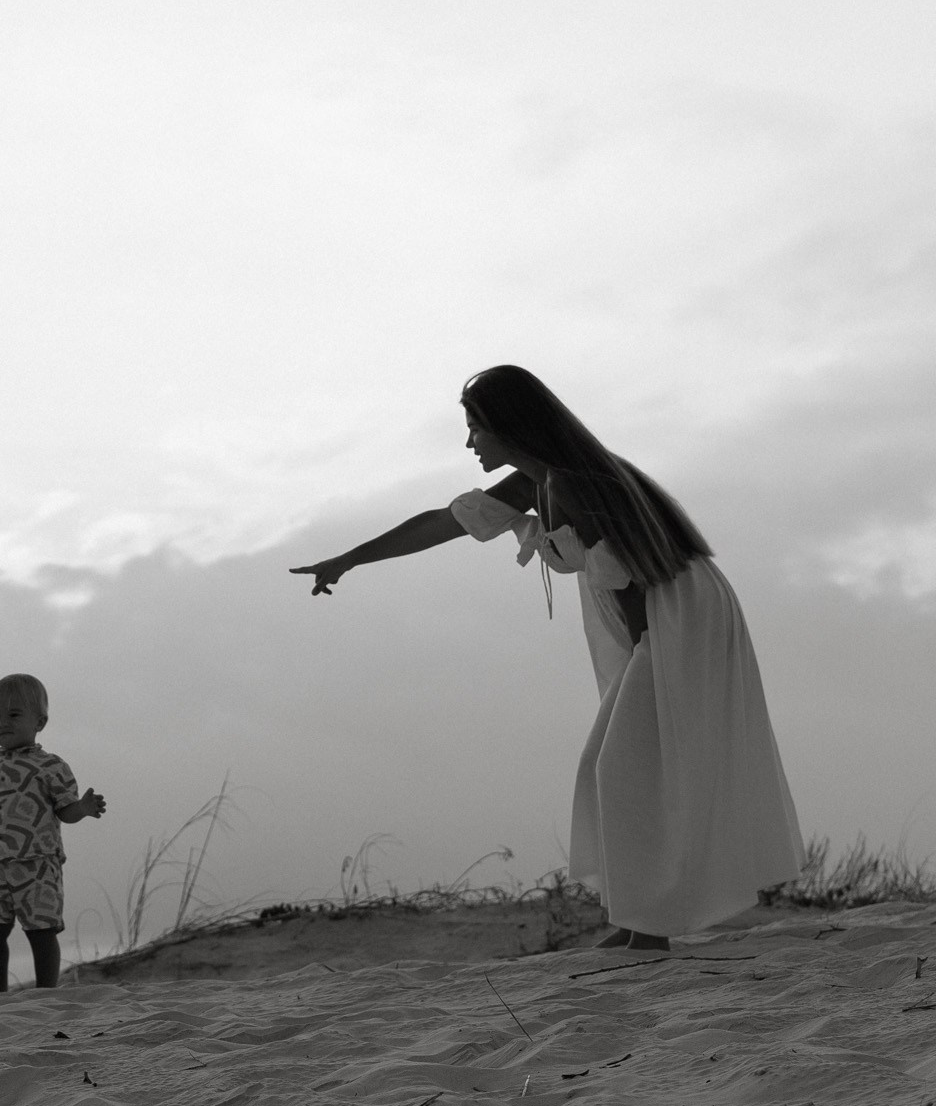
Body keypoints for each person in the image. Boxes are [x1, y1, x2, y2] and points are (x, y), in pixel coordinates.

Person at [290, 366, 803, 950]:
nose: (468, 444)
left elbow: (637, 577)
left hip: (673, 612)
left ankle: (647, 929)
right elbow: (442, 523)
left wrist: (647, 652)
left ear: (510, 428)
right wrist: (348, 559)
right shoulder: (540, 482)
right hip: (663, 610)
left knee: (620, 765)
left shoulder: (572, 485)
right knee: (622, 766)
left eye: (475, 429)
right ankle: (640, 924)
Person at [0, 673, 107, 991]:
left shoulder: (51, 766)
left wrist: (83, 807)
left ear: (39, 721)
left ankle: (46, 993)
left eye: (14, 715)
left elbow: (65, 811)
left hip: (37, 864)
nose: (2, 723)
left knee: (41, 931)